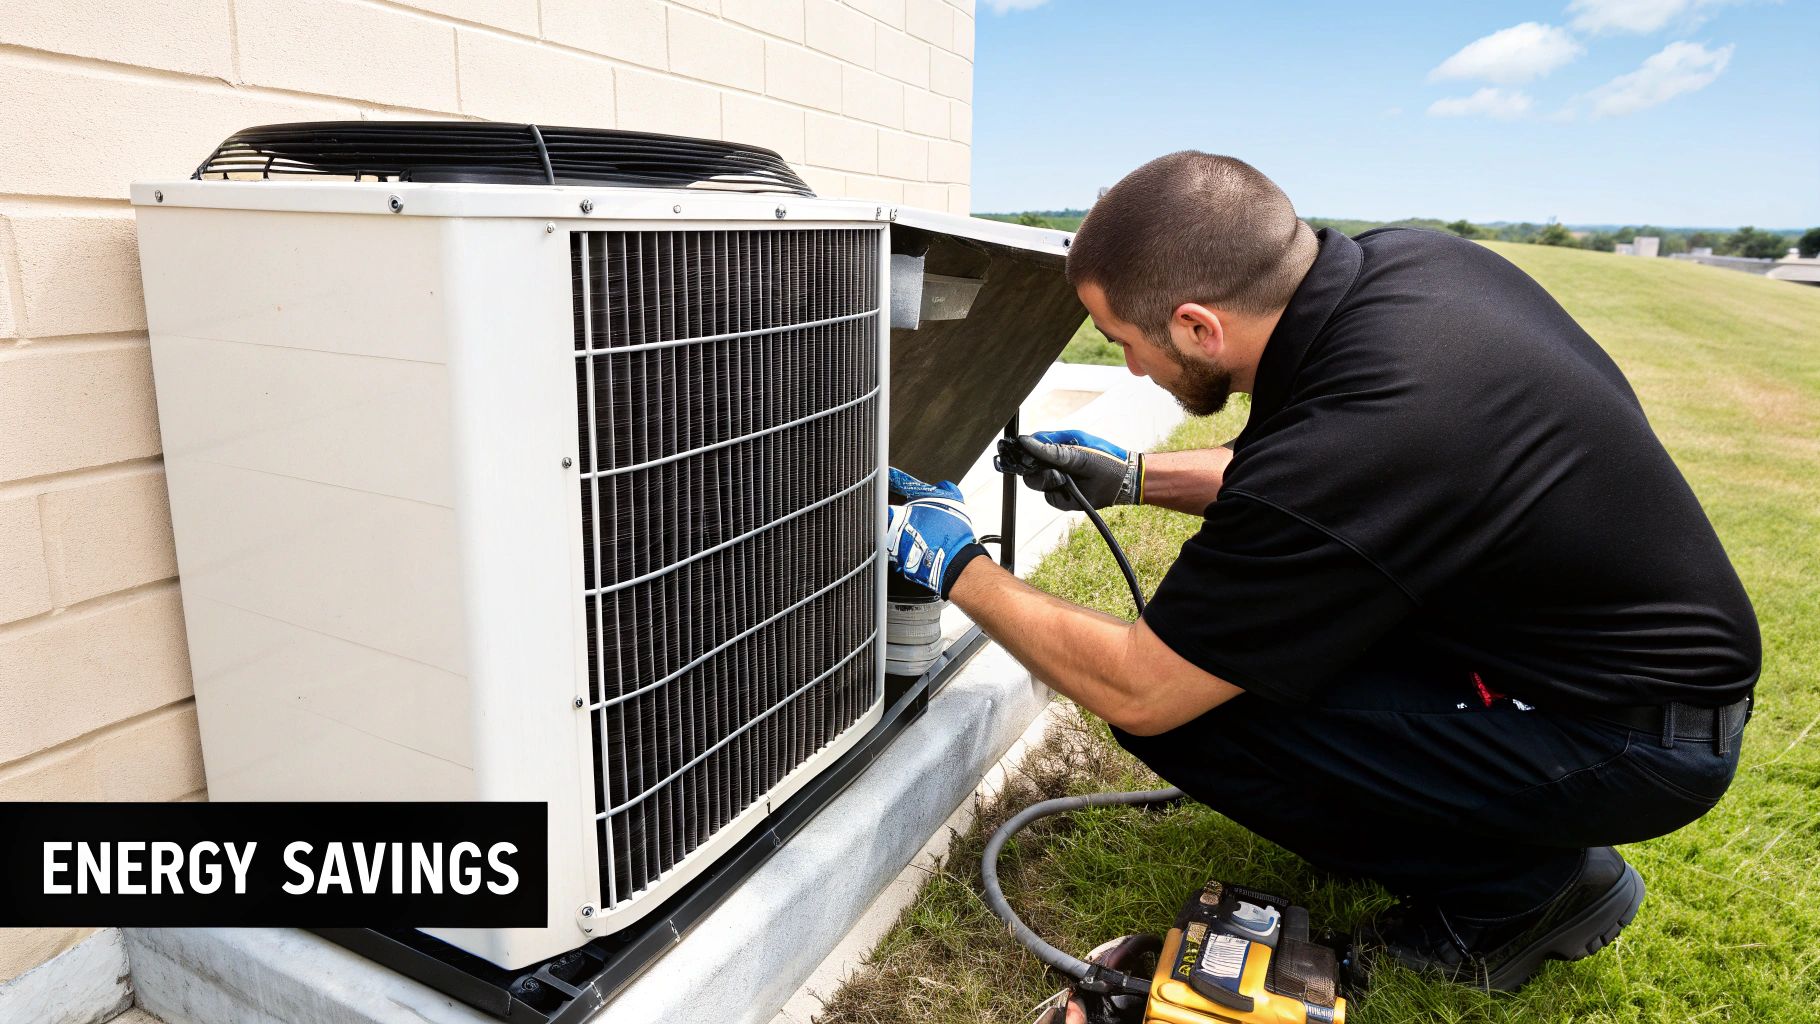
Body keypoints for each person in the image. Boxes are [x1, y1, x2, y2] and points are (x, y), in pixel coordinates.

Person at [883, 152, 1759, 992]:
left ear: (1197, 325)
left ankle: (1521, 893)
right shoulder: (1410, 268)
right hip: (1571, 659)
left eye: (1123, 340)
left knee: (1189, 721)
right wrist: (1137, 479)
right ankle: (1501, 821)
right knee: (1246, 677)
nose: (1131, 367)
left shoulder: (1363, 442)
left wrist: (955, 564)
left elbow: (1141, 687)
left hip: (1628, 739)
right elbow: (1340, 483)